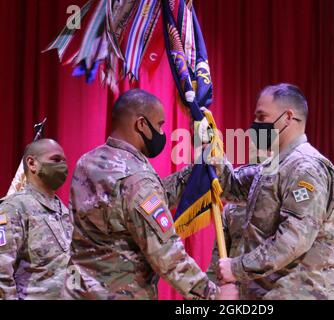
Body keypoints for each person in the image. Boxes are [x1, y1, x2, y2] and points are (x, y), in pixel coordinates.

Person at [62, 89, 220, 300]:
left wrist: (198, 170)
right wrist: (214, 295)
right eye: (160, 124)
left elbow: (133, 204)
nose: (162, 132)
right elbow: (168, 256)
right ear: (142, 124)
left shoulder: (87, 161)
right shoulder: (137, 179)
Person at [213, 83, 334, 300]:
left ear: (287, 117)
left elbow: (294, 239)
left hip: (305, 292)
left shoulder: (306, 168)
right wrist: (210, 144)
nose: (254, 126)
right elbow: (229, 186)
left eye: (262, 117)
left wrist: (237, 267)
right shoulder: (273, 166)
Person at [0, 139, 72, 299]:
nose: (63, 167)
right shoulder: (14, 208)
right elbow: (1, 273)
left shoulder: (64, 211)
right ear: (32, 163)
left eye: (64, 161)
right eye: (55, 160)